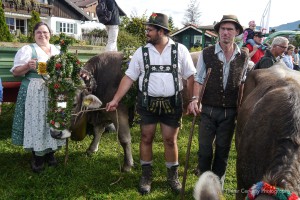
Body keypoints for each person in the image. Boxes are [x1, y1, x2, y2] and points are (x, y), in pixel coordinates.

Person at [106, 13, 196, 194]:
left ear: (161, 31)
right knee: (146, 138)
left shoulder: (180, 50)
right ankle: (146, 176)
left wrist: (190, 100)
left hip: (172, 103)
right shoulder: (142, 52)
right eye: (147, 29)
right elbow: (129, 77)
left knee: (170, 140)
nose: (147, 32)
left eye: (150, 29)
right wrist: (116, 99)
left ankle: (173, 176)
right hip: (147, 103)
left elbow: (190, 76)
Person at [187, 14, 248, 188]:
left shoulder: (243, 56)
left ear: (236, 32)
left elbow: (242, 82)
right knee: (205, 150)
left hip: (230, 112)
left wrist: (241, 107)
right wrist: (194, 99)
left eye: (230, 29)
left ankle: (217, 182)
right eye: (223, 29)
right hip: (208, 110)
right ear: (218, 31)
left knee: (223, 151)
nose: (225, 33)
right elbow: (198, 78)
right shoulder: (207, 53)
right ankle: (205, 182)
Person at [11, 22, 65, 173]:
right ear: (34, 35)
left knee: (55, 120)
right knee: (38, 121)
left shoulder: (57, 49)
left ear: (50, 34)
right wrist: (28, 66)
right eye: (38, 33)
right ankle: (38, 156)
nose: (42, 35)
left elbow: (62, 70)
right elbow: (16, 73)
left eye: (45, 32)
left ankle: (51, 152)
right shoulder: (28, 50)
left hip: (56, 89)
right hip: (36, 90)